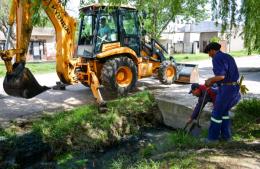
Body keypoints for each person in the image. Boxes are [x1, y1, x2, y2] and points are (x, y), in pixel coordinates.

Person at [204, 42, 241, 142]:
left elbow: (221, 76)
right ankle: (226, 137)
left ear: (212, 50)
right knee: (224, 112)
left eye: (209, 52)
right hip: (234, 88)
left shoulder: (216, 58)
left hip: (226, 89)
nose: (209, 55)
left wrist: (210, 80)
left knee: (216, 113)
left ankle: (212, 139)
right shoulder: (228, 56)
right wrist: (216, 83)